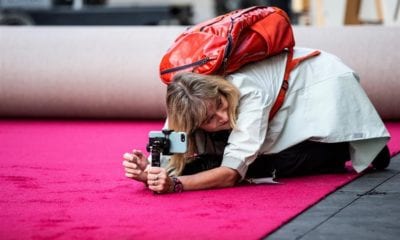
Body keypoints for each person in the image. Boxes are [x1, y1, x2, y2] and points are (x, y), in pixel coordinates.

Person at [122, 47, 391, 194]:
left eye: (219, 105)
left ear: (218, 89)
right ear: (190, 123)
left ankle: (354, 145)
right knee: (256, 158)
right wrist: (149, 172)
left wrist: (177, 185)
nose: (224, 117)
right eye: (210, 119)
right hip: (279, 97)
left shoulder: (246, 91)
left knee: (275, 163)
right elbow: (170, 163)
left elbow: (230, 175)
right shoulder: (184, 105)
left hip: (319, 81)